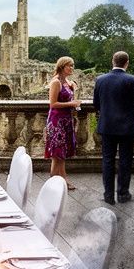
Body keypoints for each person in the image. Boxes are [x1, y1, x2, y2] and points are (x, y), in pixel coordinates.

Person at [93, 51, 134, 205]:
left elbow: (96, 105)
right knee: (125, 161)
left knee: (108, 161)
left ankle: (108, 196)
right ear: (127, 63)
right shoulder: (131, 79)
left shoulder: (100, 79)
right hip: (126, 127)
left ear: (112, 61)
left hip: (107, 126)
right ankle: (123, 194)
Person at [44, 56, 82, 191]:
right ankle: (60, 181)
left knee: (61, 152)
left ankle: (57, 180)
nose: (72, 68)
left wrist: (73, 91)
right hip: (56, 121)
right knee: (57, 152)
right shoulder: (56, 82)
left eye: (73, 65)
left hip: (66, 120)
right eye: (69, 65)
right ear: (61, 67)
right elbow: (52, 104)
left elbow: (68, 98)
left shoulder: (68, 82)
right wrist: (71, 103)